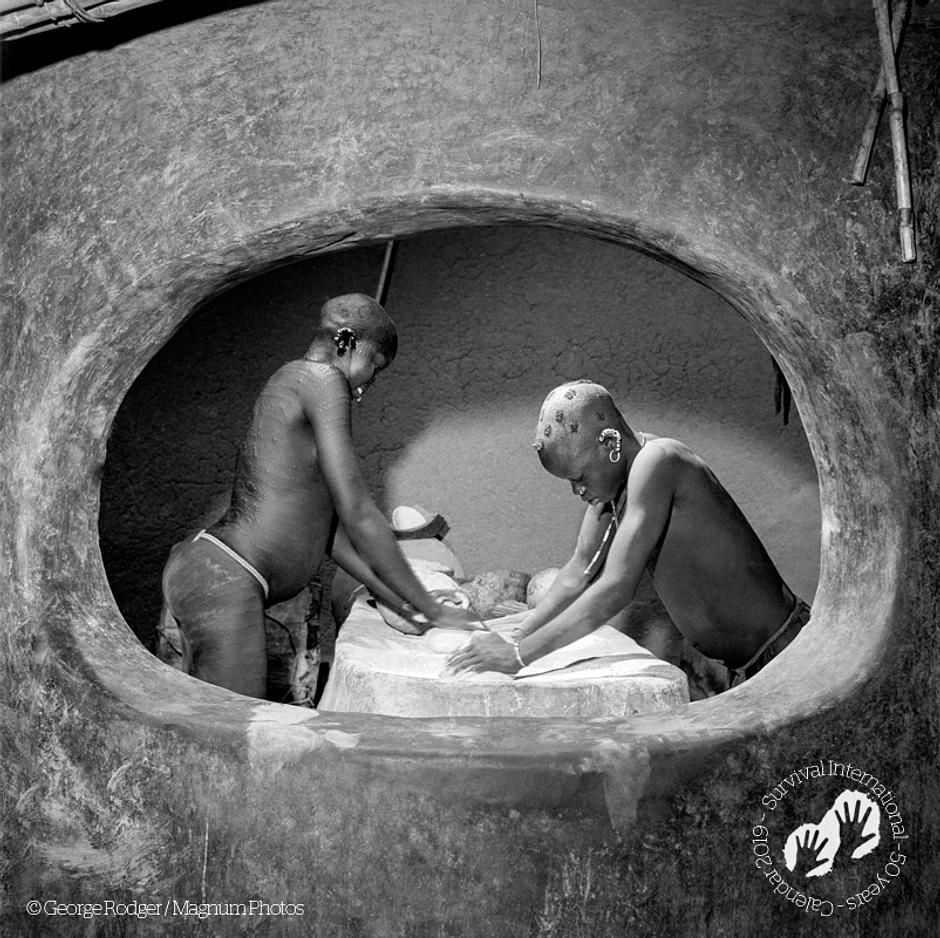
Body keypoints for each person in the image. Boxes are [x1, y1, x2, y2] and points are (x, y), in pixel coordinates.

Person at [162, 293, 477, 698]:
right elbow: (358, 513)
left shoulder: (299, 384)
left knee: (208, 729)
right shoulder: (321, 380)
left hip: (208, 569)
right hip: (226, 575)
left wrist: (397, 599)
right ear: (345, 342)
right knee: (235, 735)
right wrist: (432, 609)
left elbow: (328, 531)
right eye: (373, 367)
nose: (369, 384)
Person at [446, 380, 810, 687]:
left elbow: (616, 586)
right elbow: (579, 571)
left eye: (580, 477)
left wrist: (517, 656)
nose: (578, 491)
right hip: (745, 669)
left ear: (611, 445)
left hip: (785, 653)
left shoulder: (660, 461)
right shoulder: (617, 489)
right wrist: (518, 633)